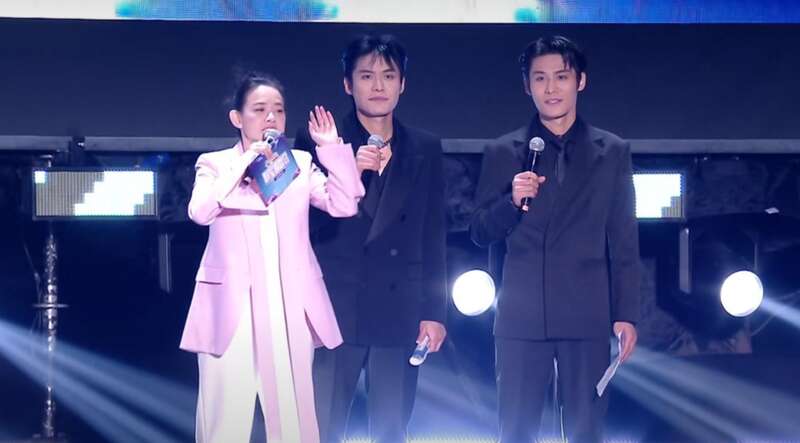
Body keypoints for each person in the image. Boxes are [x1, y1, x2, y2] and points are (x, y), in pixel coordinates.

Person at [470, 35, 641, 443]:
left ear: (580, 81)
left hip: (587, 313)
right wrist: (511, 202)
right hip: (521, 315)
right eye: (540, 78)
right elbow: (479, 231)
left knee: (585, 431)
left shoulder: (612, 151)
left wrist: (626, 313)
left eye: (561, 77)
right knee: (515, 431)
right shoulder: (503, 151)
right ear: (527, 86)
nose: (551, 89)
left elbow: (623, 239)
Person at [179, 71, 364, 443]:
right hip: (232, 310)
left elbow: (344, 204)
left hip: (287, 305)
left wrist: (331, 148)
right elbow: (200, 211)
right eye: (260, 109)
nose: (271, 118)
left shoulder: (298, 164)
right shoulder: (215, 164)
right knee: (224, 421)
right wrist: (246, 160)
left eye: (278, 110)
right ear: (237, 117)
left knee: (293, 420)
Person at [294, 34, 447, 443]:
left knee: (392, 429)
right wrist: (349, 171)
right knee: (322, 428)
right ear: (348, 84)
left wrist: (434, 310)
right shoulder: (319, 141)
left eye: (388, 76)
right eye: (366, 76)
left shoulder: (425, 147)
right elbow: (303, 225)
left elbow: (433, 233)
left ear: (403, 84)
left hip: (399, 309)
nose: (378, 86)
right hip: (335, 307)